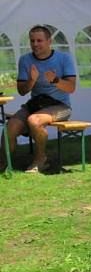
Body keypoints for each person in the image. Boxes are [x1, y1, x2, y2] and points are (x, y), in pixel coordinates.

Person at [3, 25, 77, 173]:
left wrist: (55, 80)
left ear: (49, 41)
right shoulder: (25, 60)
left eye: (39, 40)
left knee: (34, 121)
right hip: (35, 105)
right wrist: (31, 80)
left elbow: (71, 88)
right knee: (10, 127)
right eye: (32, 41)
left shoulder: (64, 58)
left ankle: (40, 159)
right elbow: (22, 91)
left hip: (61, 106)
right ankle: (5, 163)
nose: (35, 44)